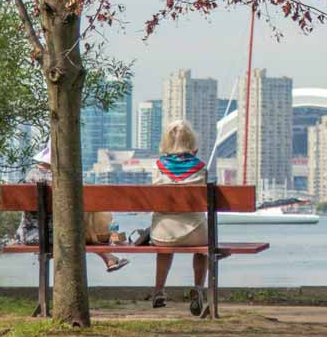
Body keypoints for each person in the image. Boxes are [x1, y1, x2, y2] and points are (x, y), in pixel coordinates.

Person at [14, 144, 129, 273]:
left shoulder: (31, 176)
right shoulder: (61, 180)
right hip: (56, 235)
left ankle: (111, 257)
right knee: (83, 230)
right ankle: (115, 249)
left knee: (83, 230)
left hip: (29, 235)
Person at [150, 119, 217, 316]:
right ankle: (198, 287)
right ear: (191, 142)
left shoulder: (158, 168)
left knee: (164, 246)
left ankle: (159, 290)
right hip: (196, 233)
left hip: (163, 233)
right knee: (203, 250)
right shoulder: (201, 169)